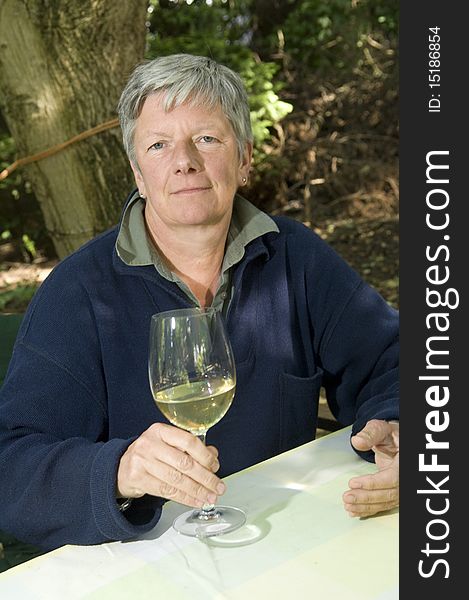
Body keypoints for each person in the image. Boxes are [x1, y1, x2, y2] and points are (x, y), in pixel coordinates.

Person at [0, 54, 399, 550]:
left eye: (206, 139)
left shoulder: (295, 257)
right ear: (139, 174)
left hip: (286, 539)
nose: (184, 160)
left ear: (245, 159)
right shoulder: (78, 292)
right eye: (159, 144)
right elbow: (11, 468)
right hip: (138, 567)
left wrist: (400, 423)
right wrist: (118, 472)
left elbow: (397, 358)